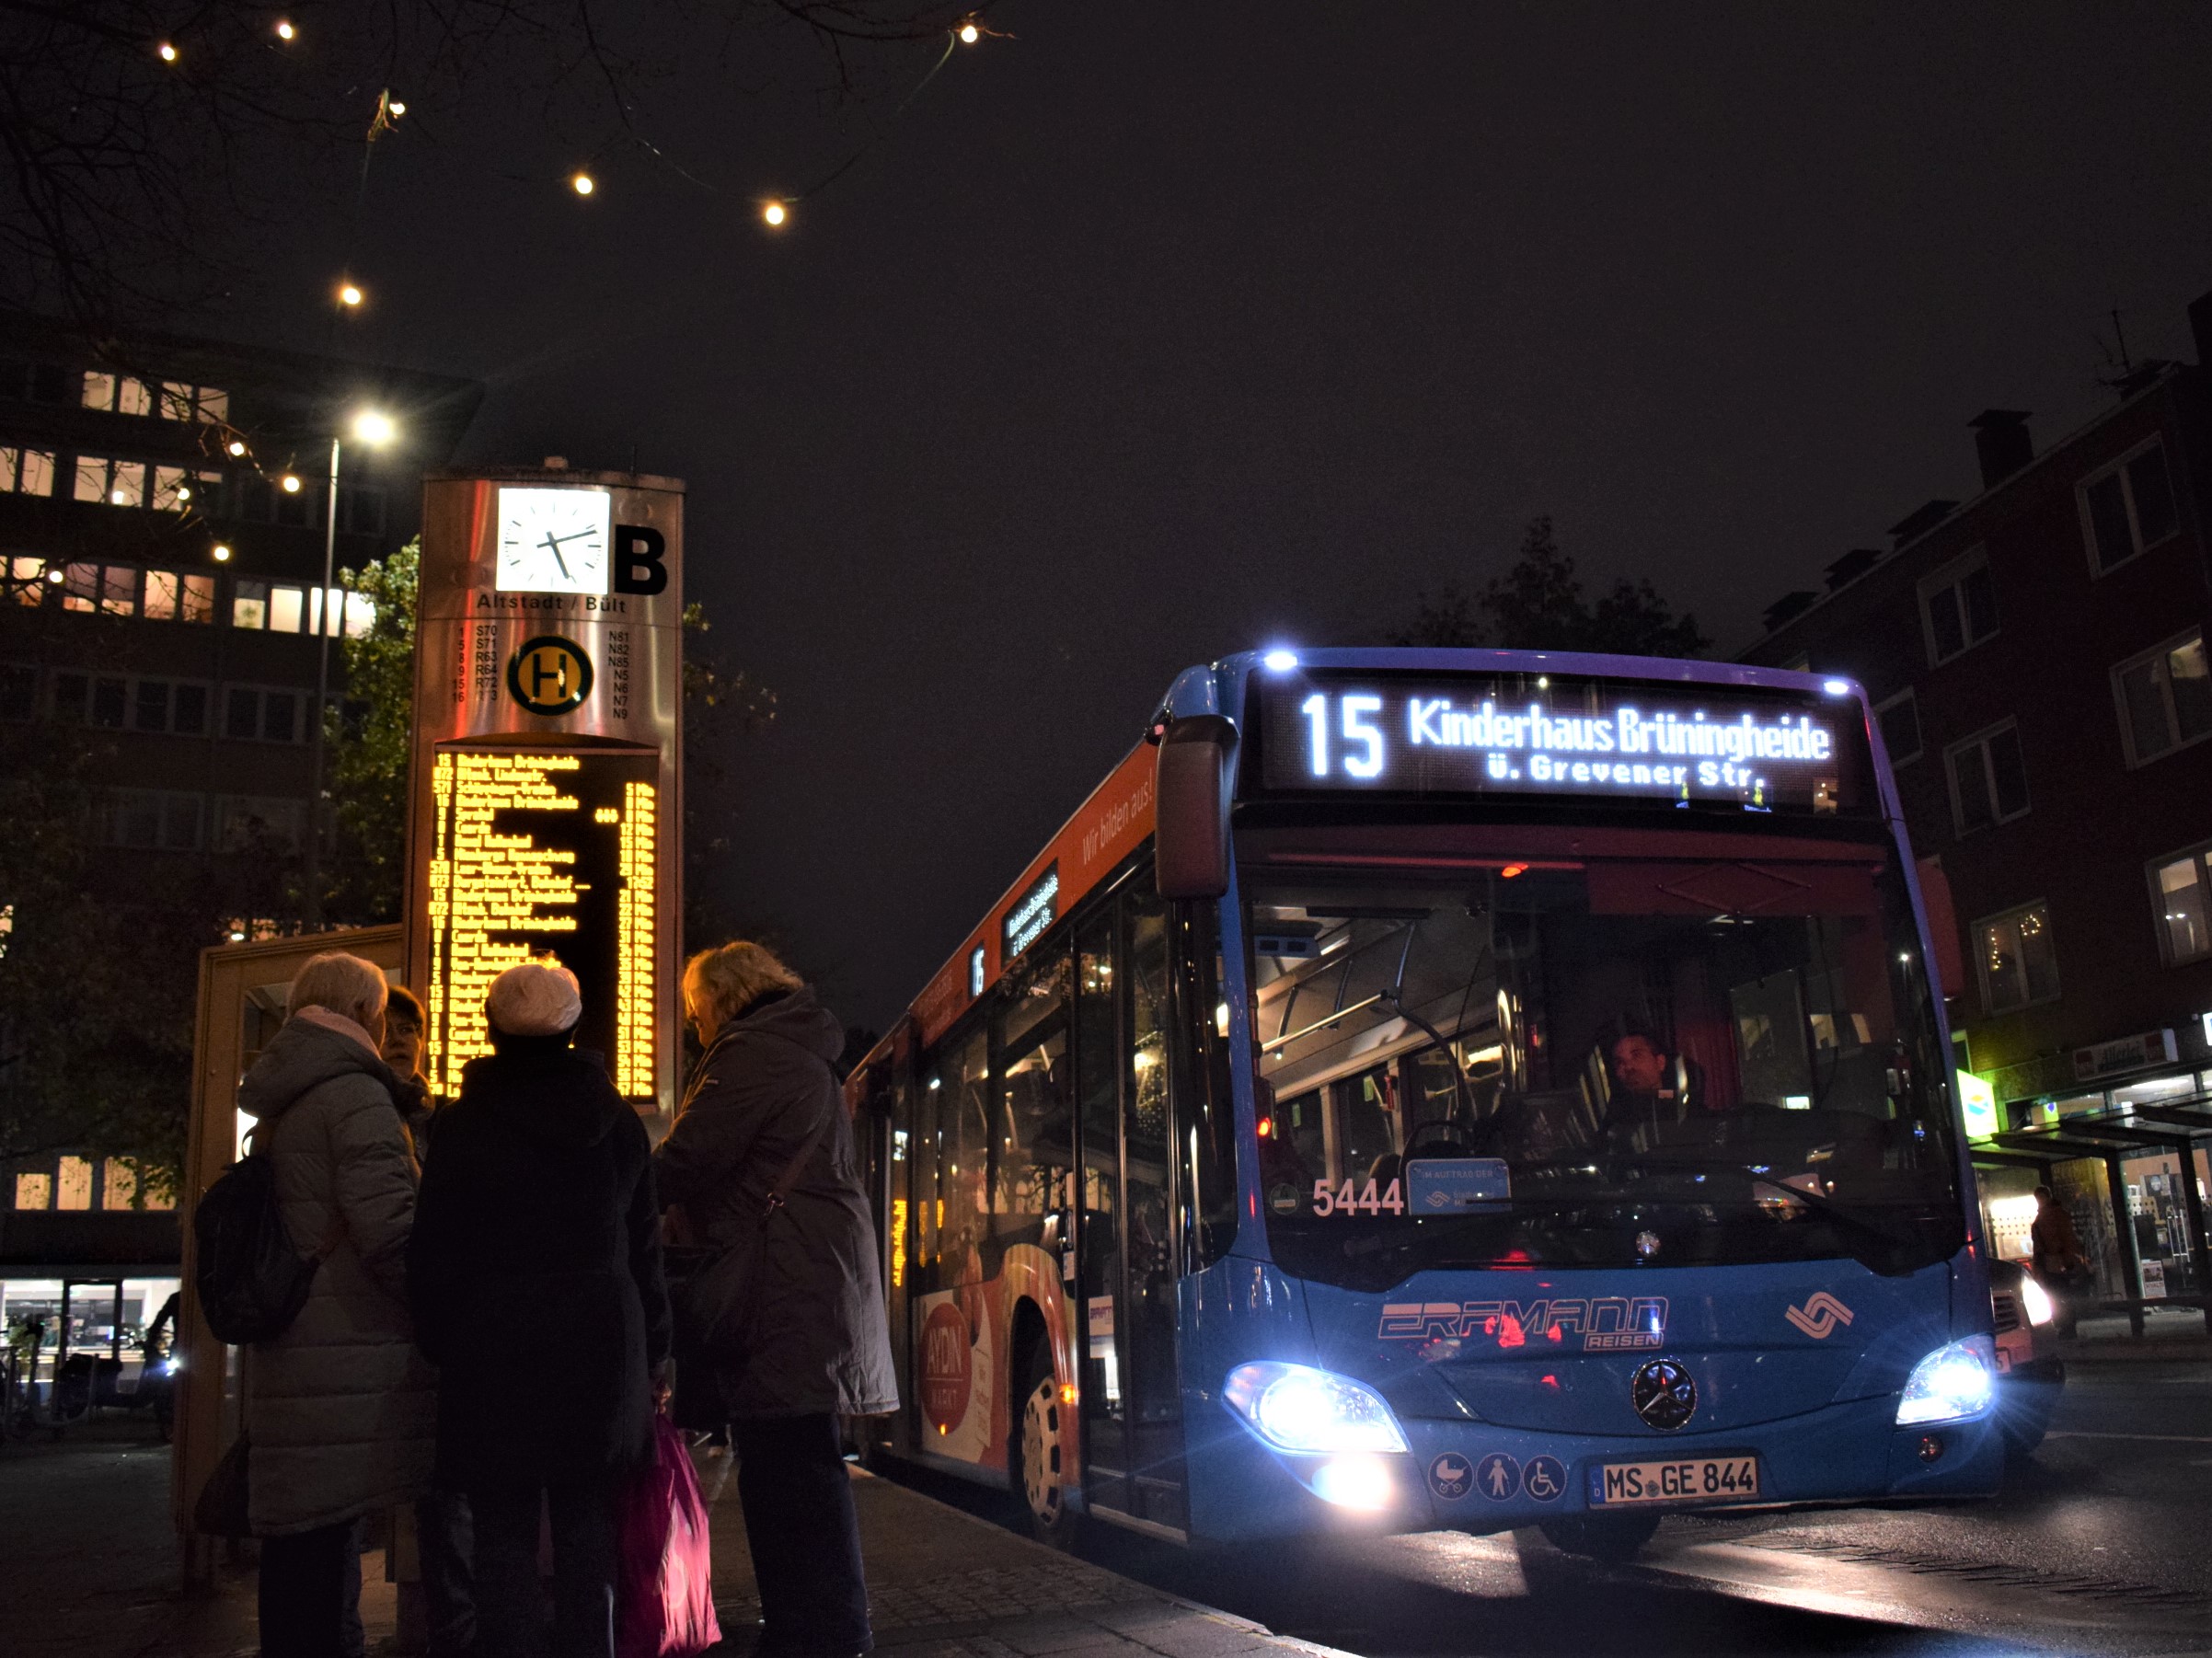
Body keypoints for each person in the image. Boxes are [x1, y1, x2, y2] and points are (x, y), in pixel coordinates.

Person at [408, 960, 671, 1658]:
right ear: (575, 1029)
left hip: (492, 1357)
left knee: (502, 1538)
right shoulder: (618, 1125)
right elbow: (646, 1255)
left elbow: (431, 1253)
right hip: (599, 1355)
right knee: (589, 1532)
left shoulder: (460, 1128)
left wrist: (444, 1341)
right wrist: (657, 1353)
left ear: (491, 1031)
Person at [657, 941, 897, 1658]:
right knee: (803, 1465)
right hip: (807, 1287)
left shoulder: (753, 1056)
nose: (697, 1028)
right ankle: (821, 1628)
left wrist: (603, 1186)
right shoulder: (800, 1053)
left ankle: (813, 1632)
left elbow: (685, 1161)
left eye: (698, 1011)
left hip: (781, 1294)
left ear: (724, 998)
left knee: (786, 1472)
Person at [236, 950, 436, 1658]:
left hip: (299, 1353)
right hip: (347, 1360)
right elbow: (389, 1232)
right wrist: (443, 1315)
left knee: (300, 1551)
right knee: (326, 1555)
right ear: (363, 1014)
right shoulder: (354, 1095)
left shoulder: (286, 1094)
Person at [377, 983, 477, 1658]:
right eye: (388, 1025)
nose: (404, 1037)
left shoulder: (442, 1120)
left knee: (444, 1495)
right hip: (380, 1325)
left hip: (430, 1329)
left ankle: (457, 1634)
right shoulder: (367, 1112)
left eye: (413, 1025)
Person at [2030, 1185, 2091, 1336]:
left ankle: (2066, 1327)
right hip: (2059, 1262)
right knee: (2061, 1296)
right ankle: (2067, 1326)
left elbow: (2061, 1240)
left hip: (2054, 1263)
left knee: (2057, 1296)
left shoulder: (2046, 1217)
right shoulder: (2058, 1214)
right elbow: (2068, 1239)